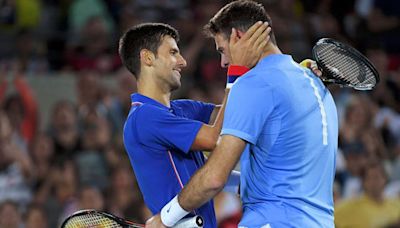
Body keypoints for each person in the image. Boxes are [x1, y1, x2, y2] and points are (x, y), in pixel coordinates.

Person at [146, 1, 338, 227]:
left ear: (238, 37)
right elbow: (277, 171)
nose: (223, 62)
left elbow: (215, 178)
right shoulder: (312, 80)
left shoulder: (254, 84)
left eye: (222, 50)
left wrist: (165, 218)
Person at [119, 21, 271, 228]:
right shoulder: (144, 117)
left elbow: (238, 111)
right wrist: (237, 70)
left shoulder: (181, 109)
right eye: (173, 52)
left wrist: (296, 76)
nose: (183, 62)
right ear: (147, 58)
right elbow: (213, 138)